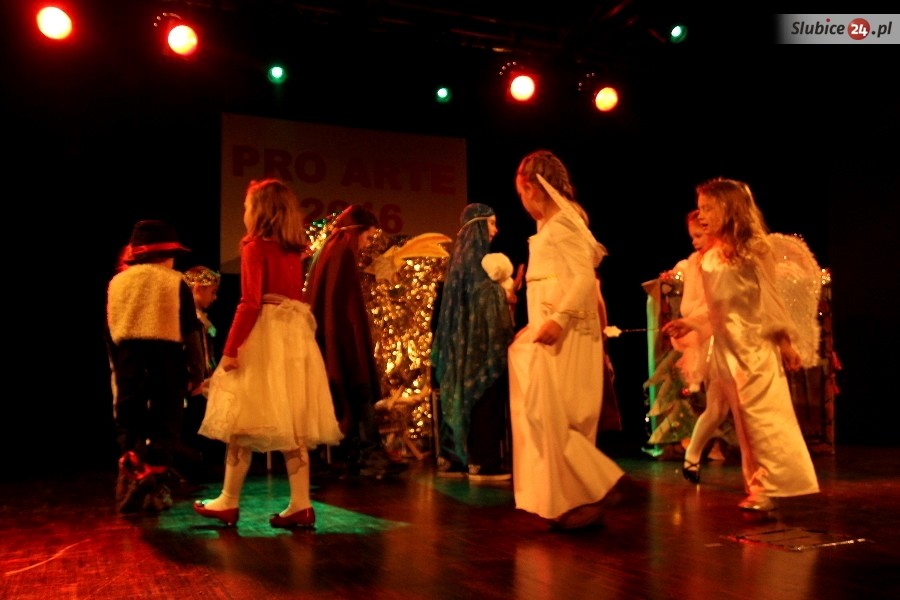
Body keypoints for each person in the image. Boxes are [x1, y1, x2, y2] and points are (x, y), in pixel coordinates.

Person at [662, 177, 819, 512]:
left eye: (708, 208)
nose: (701, 216)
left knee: (763, 419)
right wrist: (690, 324)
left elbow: (771, 301)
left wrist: (784, 343)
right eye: (700, 209)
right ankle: (758, 487)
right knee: (744, 424)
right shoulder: (709, 258)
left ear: (728, 208)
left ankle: (771, 486)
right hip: (725, 350)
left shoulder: (754, 250)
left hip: (755, 347)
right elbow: (715, 310)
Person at [194, 178, 342, 528]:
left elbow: (249, 303)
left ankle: (228, 500)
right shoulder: (294, 250)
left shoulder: (254, 247)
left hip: (265, 335)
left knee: (241, 417)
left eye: (247, 206)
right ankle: (301, 504)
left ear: (260, 211)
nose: (244, 212)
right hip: (294, 338)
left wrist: (231, 350)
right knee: (293, 422)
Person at [508, 149, 624, 530]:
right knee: (545, 414)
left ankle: (598, 484)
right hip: (553, 331)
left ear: (531, 188)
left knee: (554, 415)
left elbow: (583, 280)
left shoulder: (564, 225)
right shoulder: (551, 227)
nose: (522, 203)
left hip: (568, 333)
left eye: (521, 194)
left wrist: (557, 319)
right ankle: (574, 499)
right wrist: (535, 323)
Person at [106, 219, 206, 513]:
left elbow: (110, 331)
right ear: (166, 255)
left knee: (131, 422)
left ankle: (132, 476)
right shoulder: (174, 282)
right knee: (165, 423)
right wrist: (197, 371)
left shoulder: (117, 283)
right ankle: (155, 484)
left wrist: (117, 368)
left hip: (128, 359)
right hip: (167, 360)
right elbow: (191, 331)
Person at [303, 204, 404, 478]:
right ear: (356, 231)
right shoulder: (343, 251)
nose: (367, 244)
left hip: (337, 336)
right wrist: (351, 341)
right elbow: (340, 306)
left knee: (358, 393)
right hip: (343, 337)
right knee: (361, 391)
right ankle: (368, 454)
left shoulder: (332, 249)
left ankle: (360, 453)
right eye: (367, 237)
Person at [431, 203, 516, 482]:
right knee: (484, 395)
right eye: (491, 223)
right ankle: (482, 461)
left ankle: (456, 459)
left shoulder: (458, 263)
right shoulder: (479, 264)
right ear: (478, 226)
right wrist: (504, 295)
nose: (495, 230)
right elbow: (483, 302)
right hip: (479, 348)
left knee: (461, 398)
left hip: (459, 351)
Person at [181, 265, 223, 478]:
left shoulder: (202, 320)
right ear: (198, 288)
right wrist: (193, 378)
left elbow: (207, 353)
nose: (215, 298)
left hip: (203, 380)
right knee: (191, 424)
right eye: (212, 292)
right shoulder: (188, 319)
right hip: (191, 383)